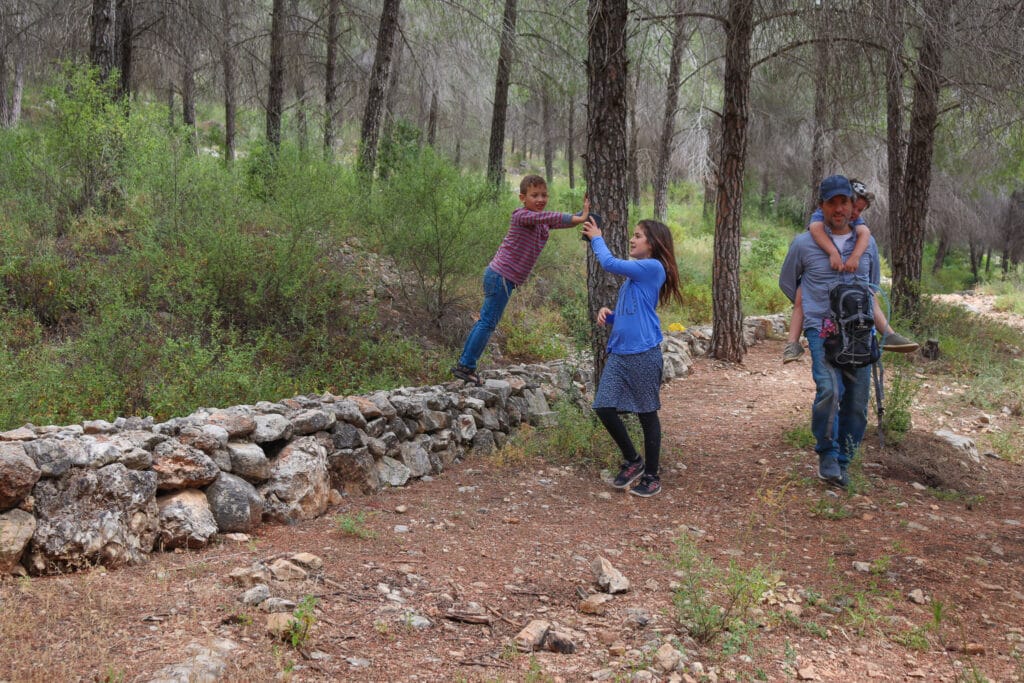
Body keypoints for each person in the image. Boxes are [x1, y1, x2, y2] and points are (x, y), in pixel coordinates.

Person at [779, 174, 880, 488]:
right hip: (821, 330)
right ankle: (827, 453)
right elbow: (788, 282)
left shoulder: (867, 243)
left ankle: (843, 462)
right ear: (821, 206)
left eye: (844, 202)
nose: (839, 208)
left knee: (857, 403)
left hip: (860, 333)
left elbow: (872, 284)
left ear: (853, 207)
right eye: (832, 202)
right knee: (829, 390)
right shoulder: (803, 243)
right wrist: (809, 306)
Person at [452, 175, 590, 385]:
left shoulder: (541, 221)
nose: (540, 199)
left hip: (504, 278)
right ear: (522, 197)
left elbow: (557, 221)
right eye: (534, 195)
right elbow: (550, 217)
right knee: (487, 322)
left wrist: (585, 213)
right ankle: (466, 366)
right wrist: (579, 218)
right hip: (500, 276)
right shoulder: (522, 216)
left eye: (544, 195)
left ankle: (466, 365)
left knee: (486, 321)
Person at [581, 217, 684, 498]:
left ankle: (652, 476)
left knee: (646, 414)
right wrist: (609, 314)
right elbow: (633, 313)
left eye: (638, 236)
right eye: (633, 235)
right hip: (621, 354)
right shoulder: (634, 279)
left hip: (644, 353)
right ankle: (633, 460)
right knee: (603, 406)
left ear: (652, 243)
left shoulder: (653, 267)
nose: (632, 239)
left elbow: (609, 263)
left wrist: (596, 237)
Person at [782, 178, 918, 363]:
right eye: (853, 207)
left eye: (859, 210)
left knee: (870, 292)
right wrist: (814, 298)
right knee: (801, 295)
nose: (853, 213)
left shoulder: (861, 229)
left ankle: (888, 333)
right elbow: (814, 231)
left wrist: (855, 256)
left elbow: (867, 243)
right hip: (822, 321)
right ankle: (792, 343)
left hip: (858, 320)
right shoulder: (818, 220)